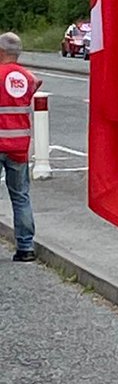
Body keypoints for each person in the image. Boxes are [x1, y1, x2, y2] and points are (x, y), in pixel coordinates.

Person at [0, 31, 41, 263]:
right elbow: (36, 83)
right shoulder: (27, 77)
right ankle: (25, 247)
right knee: (21, 197)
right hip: (18, 147)